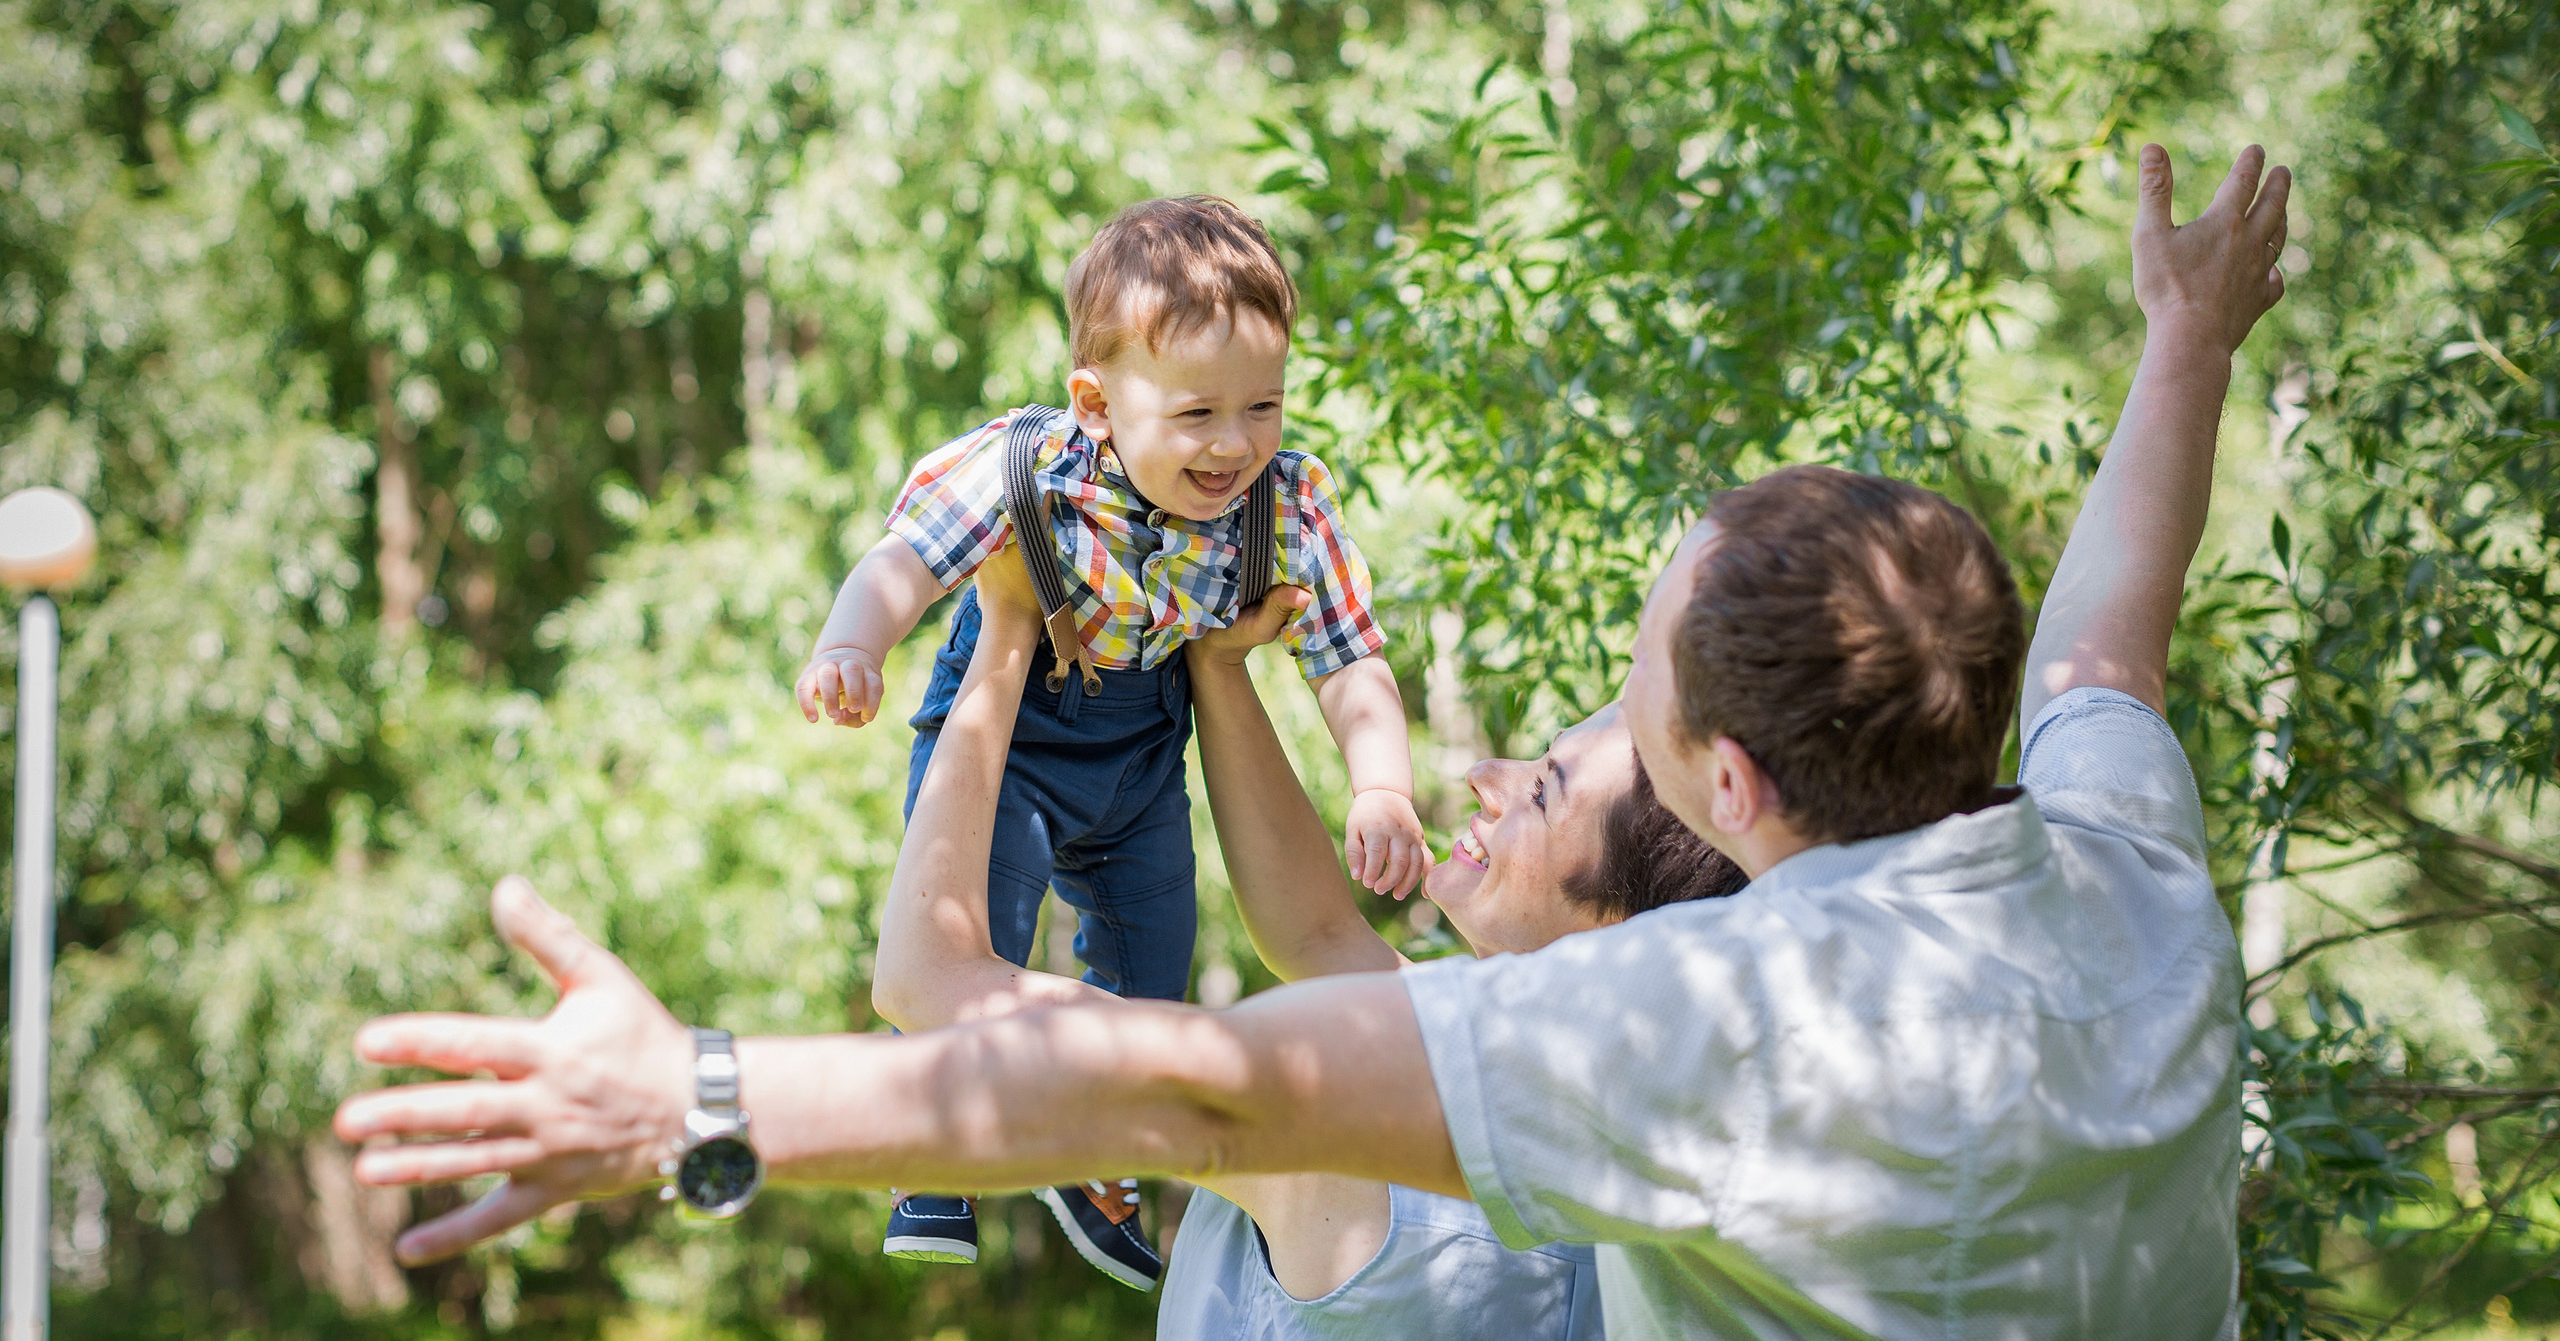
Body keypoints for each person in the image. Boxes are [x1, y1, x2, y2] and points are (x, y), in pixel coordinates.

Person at [338, 145, 2290, 1340]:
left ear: (1733, 792)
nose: (1519, 758)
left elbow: (1200, 1087)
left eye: (1621, 697)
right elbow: (2106, 638)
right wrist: (2179, 343)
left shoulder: (1710, 1020)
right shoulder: (2110, 867)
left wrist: (682, 1095)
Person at [787, 195, 1430, 1282]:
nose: (1235, 444)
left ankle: (1104, 1158)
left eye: (1263, 404)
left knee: (1152, 956)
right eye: (1197, 415)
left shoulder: (1289, 501)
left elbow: (1350, 661)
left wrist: (1381, 788)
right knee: (973, 929)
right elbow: (904, 560)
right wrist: (851, 645)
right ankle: (934, 1150)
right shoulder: (1022, 471)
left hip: (1143, 751)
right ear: (1095, 400)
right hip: (1016, 740)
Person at [876, 540, 1742, 1336]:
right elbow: (1317, 934)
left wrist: (1007, 626)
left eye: (1545, 791)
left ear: (1620, 937)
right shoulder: (1611, 1135)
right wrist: (1217, 665)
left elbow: (927, 978)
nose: (1487, 777)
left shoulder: (1348, 1126)